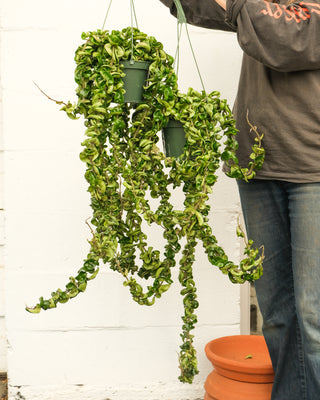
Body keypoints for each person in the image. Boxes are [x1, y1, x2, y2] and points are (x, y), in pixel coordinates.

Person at [158, 0, 320, 399]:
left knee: (314, 316)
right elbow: (197, 9)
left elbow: (289, 42)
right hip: (257, 164)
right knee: (278, 314)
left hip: (314, 166)